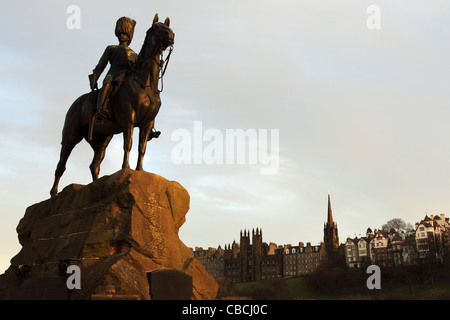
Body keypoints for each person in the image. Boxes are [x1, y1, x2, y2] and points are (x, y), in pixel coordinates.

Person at [89, 17, 138, 119]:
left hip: (126, 77)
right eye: (119, 33)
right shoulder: (111, 48)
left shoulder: (134, 55)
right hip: (113, 74)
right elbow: (101, 65)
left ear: (129, 36)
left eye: (124, 33)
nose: (121, 35)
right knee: (107, 83)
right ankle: (100, 109)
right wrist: (95, 77)